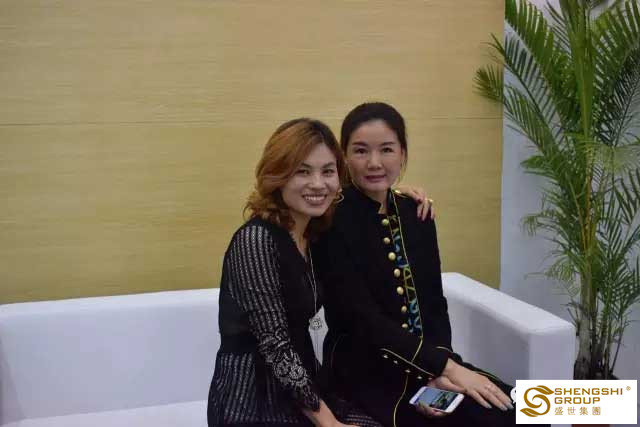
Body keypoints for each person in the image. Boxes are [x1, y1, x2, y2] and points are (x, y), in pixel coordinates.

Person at [315, 102, 523, 427]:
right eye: (360, 151)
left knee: (556, 407)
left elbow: (434, 304)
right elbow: (364, 322)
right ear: (344, 157)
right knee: (498, 419)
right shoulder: (331, 221)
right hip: (367, 374)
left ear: (403, 154)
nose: (374, 163)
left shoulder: (416, 212)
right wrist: (445, 368)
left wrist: (443, 370)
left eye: (386, 149)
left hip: (431, 367)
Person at [207, 118, 383, 427]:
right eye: (303, 172)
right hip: (253, 402)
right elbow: (276, 348)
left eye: (327, 171)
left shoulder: (314, 232)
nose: (318, 184)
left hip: (305, 389)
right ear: (278, 176)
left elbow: (366, 204)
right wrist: (330, 424)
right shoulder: (256, 240)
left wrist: (401, 196)